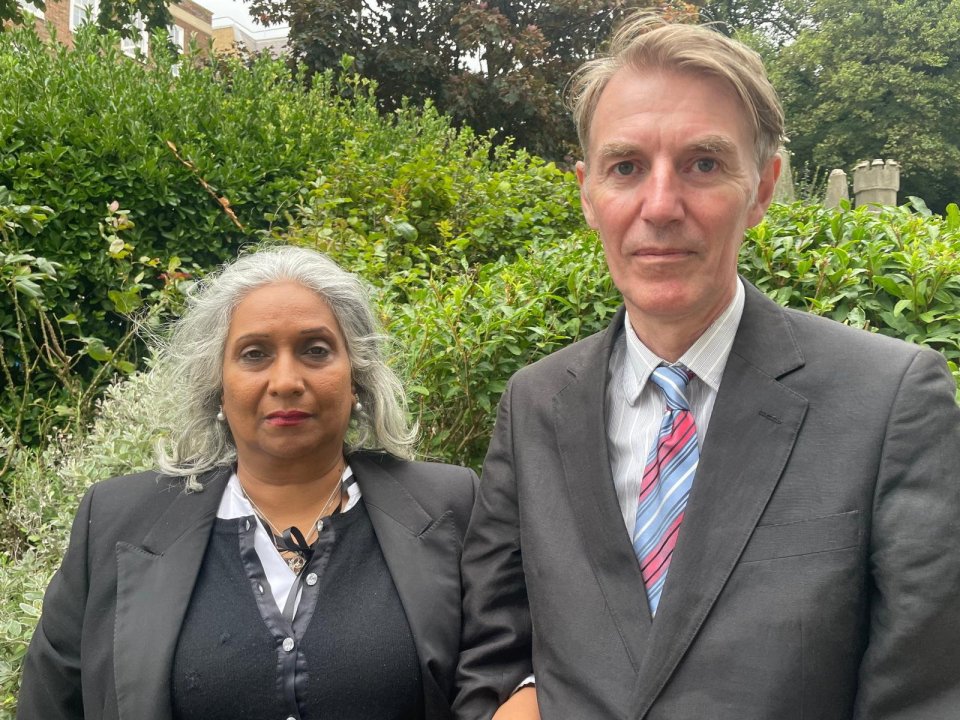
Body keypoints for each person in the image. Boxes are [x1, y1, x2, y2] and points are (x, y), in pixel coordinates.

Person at [454, 13, 960, 720]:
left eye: (703, 164)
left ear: (762, 189)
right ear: (587, 193)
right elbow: (493, 656)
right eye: (626, 167)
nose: (660, 207)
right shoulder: (534, 404)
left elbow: (926, 697)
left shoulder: (888, 402)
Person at [17, 245, 479, 720]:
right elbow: (50, 704)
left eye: (315, 350)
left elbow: (501, 678)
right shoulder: (115, 523)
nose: (285, 380)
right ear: (217, 382)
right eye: (255, 354)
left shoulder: (449, 508)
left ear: (357, 375)